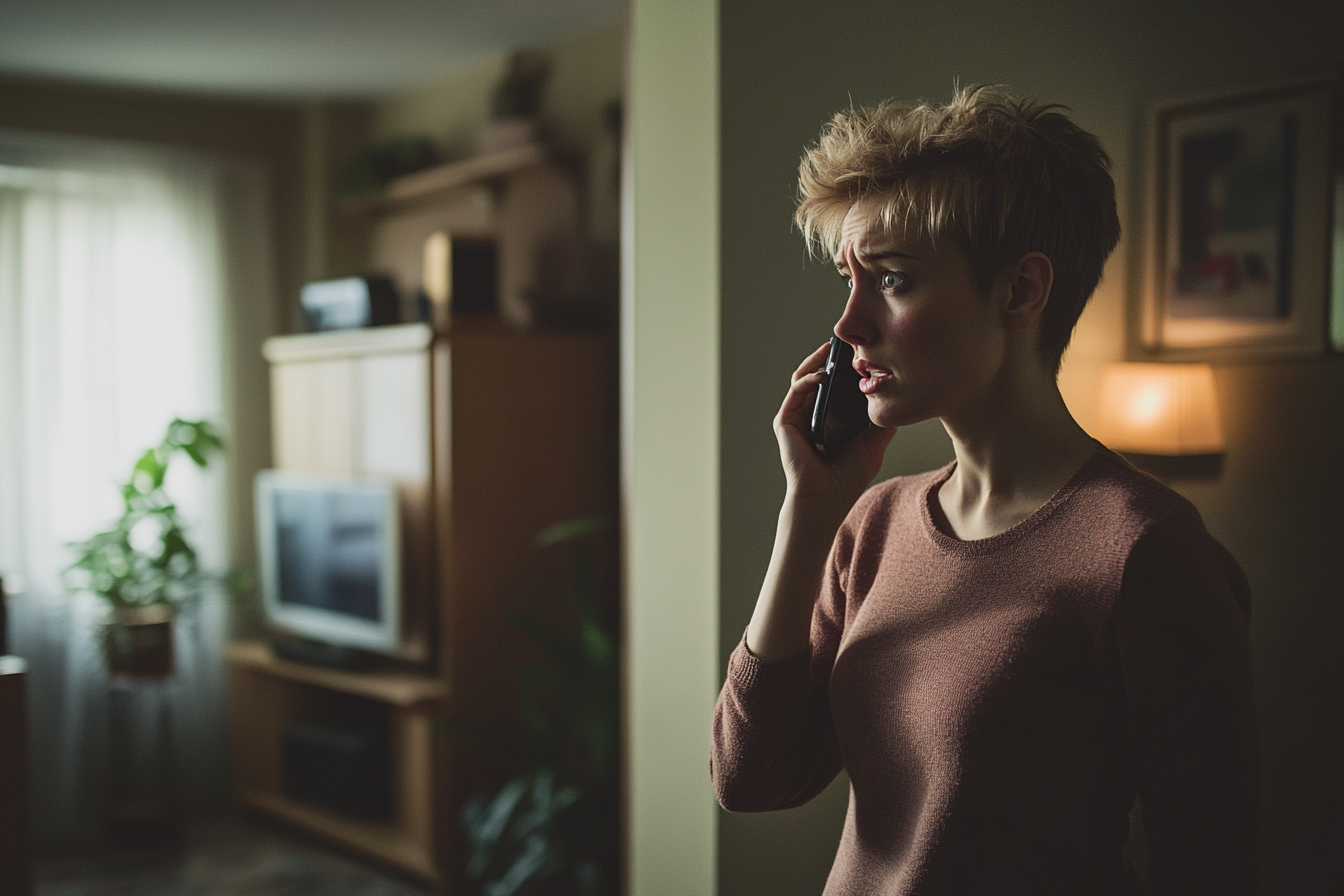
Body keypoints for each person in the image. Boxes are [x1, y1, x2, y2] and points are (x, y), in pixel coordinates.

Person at [710, 86, 1258, 896]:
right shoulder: (872, 525)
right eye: (848, 281)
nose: (848, 327)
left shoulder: (1146, 554)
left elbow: (1210, 865)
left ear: (1019, 292)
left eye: (891, 280)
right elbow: (749, 778)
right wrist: (808, 517)